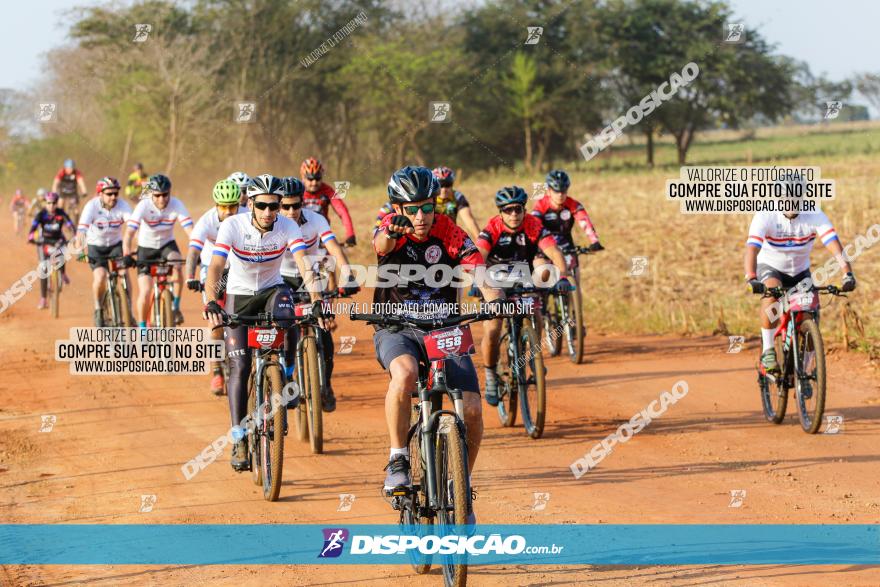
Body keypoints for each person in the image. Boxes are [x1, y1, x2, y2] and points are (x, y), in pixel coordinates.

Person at [372, 165, 504, 524]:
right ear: (397, 208)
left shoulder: (449, 231)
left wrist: (494, 297)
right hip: (396, 325)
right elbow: (381, 245)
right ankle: (398, 457)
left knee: (474, 410)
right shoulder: (390, 226)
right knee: (405, 373)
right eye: (412, 208)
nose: (421, 216)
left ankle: (460, 487)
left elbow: (477, 267)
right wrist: (389, 231)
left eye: (428, 207)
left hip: (444, 327)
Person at [201, 173, 323, 471]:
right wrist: (212, 302)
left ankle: (287, 374)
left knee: (289, 311)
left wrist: (317, 297)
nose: (270, 212)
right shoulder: (233, 225)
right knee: (240, 367)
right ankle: (239, 439)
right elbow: (217, 267)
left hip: (272, 290)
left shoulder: (287, 225)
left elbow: (304, 262)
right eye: (263, 205)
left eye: (275, 205)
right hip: (239, 296)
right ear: (251, 204)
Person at [744, 177, 856, 371]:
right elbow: (752, 250)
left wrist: (847, 273)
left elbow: (834, 246)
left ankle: (807, 367)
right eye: (786, 198)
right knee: (771, 293)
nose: (791, 203)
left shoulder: (813, 214)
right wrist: (751, 277)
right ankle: (768, 350)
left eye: (796, 198)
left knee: (811, 315)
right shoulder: (765, 215)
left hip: (800, 271)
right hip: (771, 266)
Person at [476, 186, 571, 405]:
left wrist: (563, 277)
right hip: (495, 278)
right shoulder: (492, 228)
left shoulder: (533, 225)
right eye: (508, 210)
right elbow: (478, 258)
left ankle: (533, 359)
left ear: (524, 209)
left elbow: (554, 253)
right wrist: (479, 284)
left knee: (535, 311)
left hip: (522, 275)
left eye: (518, 209)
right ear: (501, 211)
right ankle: (491, 375)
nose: (514, 214)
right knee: (492, 329)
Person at [278, 176, 359, 412]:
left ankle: (327, 385)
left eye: (296, 205)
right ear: (279, 205)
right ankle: (287, 375)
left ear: (303, 202)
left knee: (324, 331)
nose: (291, 211)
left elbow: (333, 247)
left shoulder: (317, 219)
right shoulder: (275, 223)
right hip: (282, 278)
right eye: (286, 206)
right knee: (285, 325)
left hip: (311, 276)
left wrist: (348, 276)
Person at [185, 179, 243, 395]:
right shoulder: (206, 221)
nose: (228, 211)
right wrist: (190, 276)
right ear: (216, 205)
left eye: (232, 206)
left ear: (240, 203)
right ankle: (217, 370)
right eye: (223, 206)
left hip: (239, 269)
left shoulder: (247, 214)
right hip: (214, 271)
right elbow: (193, 251)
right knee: (215, 321)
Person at [122, 174, 193, 327]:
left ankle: (175, 306)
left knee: (178, 266)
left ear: (170, 192)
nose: (162, 199)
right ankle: (142, 328)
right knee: (146, 291)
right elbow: (129, 234)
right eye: (157, 195)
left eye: (165, 195)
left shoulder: (177, 204)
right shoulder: (143, 205)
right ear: (151, 194)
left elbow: (190, 232)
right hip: (146, 248)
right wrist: (127, 254)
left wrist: (197, 251)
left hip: (167, 245)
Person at [77, 177, 134, 326]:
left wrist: (137, 246)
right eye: (109, 194)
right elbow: (81, 230)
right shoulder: (91, 206)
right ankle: (98, 309)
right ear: (100, 194)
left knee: (124, 273)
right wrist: (81, 252)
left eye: (116, 193)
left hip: (116, 245)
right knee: (101, 276)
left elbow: (132, 226)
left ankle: (129, 311)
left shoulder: (123, 205)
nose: (114, 197)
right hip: (96, 247)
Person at [28, 192, 75, 309]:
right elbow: (33, 227)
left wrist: (75, 234)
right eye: (49, 203)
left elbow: (70, 224)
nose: (51, 205)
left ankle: (63, 274)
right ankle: (43, 299)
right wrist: (31, 237)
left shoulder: (61, 213)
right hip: (44, 241)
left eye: (54, 203)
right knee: (43, 269)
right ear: (45, 203)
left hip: (58, 239)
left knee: (64, 249)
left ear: (57, 203)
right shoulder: (41, 214)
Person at [300, 157, 356, 247]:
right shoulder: (297, 190)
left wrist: (350, 234)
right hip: (300, 238)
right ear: (303, 177)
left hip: (322, 237)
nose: (314, 182)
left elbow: (342, 210)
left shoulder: (327, 190)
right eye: (310, 179)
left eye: (317, 178)